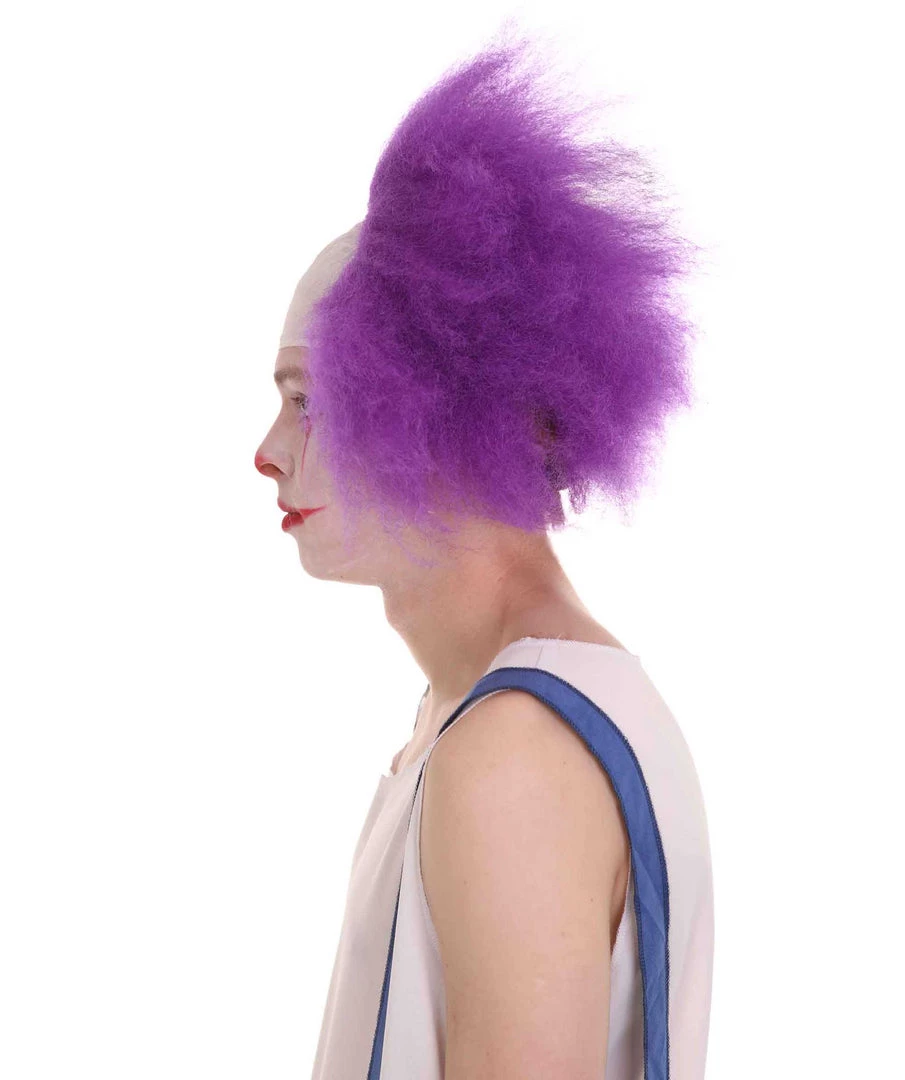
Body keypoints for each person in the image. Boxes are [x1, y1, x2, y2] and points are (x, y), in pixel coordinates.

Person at [254, 21, 713, 1080]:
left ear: (431, 407)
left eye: (305, 400)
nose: (267, 452)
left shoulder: (515, 752)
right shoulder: (482, 717)